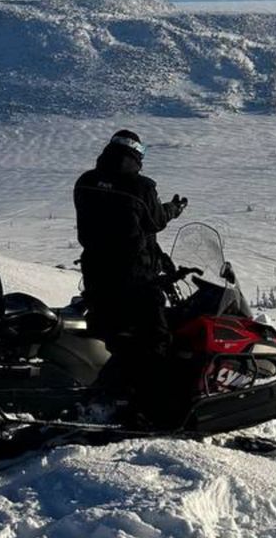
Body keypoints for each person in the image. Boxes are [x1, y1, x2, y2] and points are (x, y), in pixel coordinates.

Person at [73, 129, 188, 422]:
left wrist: (159, 256)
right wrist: (175, 208)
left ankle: (110, 393)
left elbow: (124, 226)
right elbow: (155, 221)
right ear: (137, 155)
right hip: (134, 279)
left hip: (96, 273)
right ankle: (152, 408)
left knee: (111, 334)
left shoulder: (85, 182)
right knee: (155, 338)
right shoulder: (141, 187)